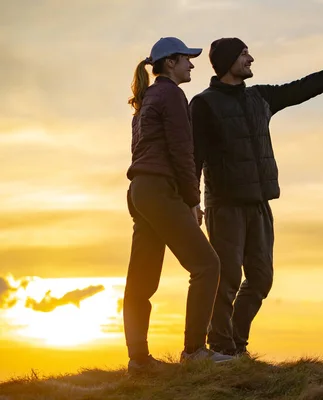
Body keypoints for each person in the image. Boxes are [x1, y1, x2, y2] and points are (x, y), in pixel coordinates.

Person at [189, 37, 323, 356]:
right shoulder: (204, 103)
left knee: (261, 279)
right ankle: (223, 348)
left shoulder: (261, 97)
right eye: (243, 54)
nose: (251, 58)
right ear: (227, 61)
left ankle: (234, 344)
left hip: (259, 201)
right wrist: (192, 201)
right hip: (224, 204)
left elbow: (302, 88)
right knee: (225, 280)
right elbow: (193, 156)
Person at [123, 37, 234, 373]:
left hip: (140, 191)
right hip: (159, 190)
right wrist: (191, 201)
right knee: (207, 265)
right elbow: (182, 151)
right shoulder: (171, 93)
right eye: (187, 58)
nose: (192, 64)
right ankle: (195, 351)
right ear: (170, 62)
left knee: (141, 281)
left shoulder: (146, 99)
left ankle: (138, 360)